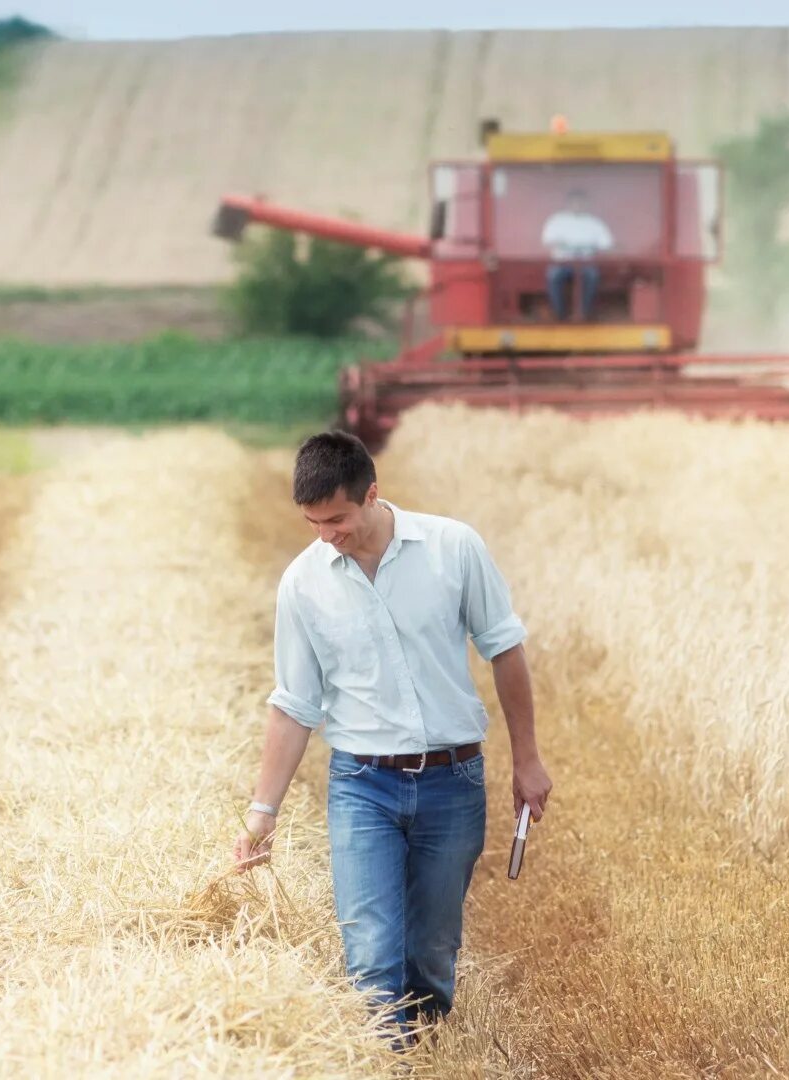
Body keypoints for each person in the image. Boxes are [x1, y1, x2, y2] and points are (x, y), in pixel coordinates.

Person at [233, 431, 553, 1037]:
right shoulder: (303, 583)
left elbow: (504, 650)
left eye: (337, 519)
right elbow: (294, 706)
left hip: (453, 784)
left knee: (430, 958)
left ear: (372, 494)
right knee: (373, 962)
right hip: (362, 787)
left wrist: (527, 760)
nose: (326, 535)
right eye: (312, 522)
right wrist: (262, 811)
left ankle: (424, 1050)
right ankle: (385, 1061)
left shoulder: (453, 548)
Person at [540, 188, 614, 322]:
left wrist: (590, 246)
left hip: (586, 262)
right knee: (553, 275)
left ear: (586, 204)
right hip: (562, 262)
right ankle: (559, 314)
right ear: (568, 203)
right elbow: (547, 240)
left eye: (581, 202)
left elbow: (606, 243)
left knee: (593, 276)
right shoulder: (557, 220)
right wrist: (564, 244)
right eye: (574, 202)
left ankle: (584, 313)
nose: (577, 205)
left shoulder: (595, 222)